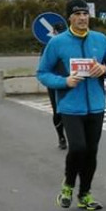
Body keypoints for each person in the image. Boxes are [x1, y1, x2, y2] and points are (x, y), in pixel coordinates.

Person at [36, 0, 106, 210]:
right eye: (77, 14)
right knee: (77, 147)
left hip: (96, 106)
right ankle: (67, 186)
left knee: (91, 152)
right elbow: (42, 73)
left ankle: (85, 194)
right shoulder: (57, 43)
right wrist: (64, 81)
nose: (82, 18)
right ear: (70, 18)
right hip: (70, 106)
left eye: (85, 14)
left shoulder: (100, 40)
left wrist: (105, 70)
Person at [41, 21, 68, 150]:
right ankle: (61, 137)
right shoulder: (50, 46)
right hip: (55, 83)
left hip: (73, 81)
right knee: (58, 111)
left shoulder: (73, 44)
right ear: (54, 32)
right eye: (59, 31)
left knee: (74, 111)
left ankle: (74, 136)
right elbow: (44, 68)